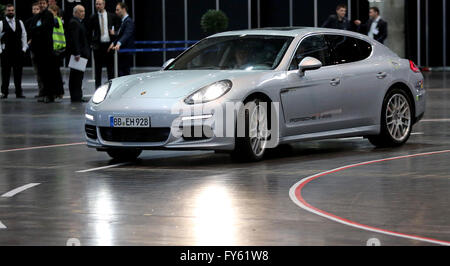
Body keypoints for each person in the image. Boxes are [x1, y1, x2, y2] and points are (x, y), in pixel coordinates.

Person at [30, 0, 58, 103]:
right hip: (38, 50)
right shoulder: (37, 16)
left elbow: (45, 29)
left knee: (48, 74)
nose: (41, 5)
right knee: (41, 74)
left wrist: (36, 29)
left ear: (46, 4)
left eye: (43, 3)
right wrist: (36, 29)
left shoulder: (48, 15)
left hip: (47, 50)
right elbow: (31, 29)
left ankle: (50, 95)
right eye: (40, 3)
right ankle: (44, 94)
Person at [89, 0, 121, 89]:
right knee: (97, 70)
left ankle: (111, 89)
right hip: (98, 46)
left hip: (109, 46)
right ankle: (98, 89)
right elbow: (88, 32)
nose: (98, 6)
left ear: (104, 5)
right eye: (96, 4)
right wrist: (92, 43)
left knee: (110, 69)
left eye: (100, 4)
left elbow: (119, 27)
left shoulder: (112, 16)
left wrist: (115, 33)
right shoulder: (93, 17)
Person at [0, 4, 28, 99]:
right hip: (6, 53)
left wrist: (24, 48)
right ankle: (4, 92)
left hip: (18, 52)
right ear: (5, 12)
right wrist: (0, 51)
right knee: (5, 74)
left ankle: (19, 93)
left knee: (18, 73)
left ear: (14, 11)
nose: (10, 12)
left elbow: (24, 35)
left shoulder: (19, 22)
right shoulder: (1, 23)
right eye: (9, 10)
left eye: (12, 10)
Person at [67, 5, 90, 103]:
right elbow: (74, 39)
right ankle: (76, 97)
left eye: (84, 11)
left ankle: (77, 96)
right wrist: (77, 53)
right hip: (78, 55)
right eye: (81, 11)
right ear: (75, 13)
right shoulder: (74, 23)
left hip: (80, 54)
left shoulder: (79, 22)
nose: (83, 13)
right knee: (76, 77)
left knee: (78, 77)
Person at [109, 2, 135, 77]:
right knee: (121, 72)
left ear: (123, 9)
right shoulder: (123, 21)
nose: (116, 12)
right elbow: (121, 35)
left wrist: (119, 43)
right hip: (122, 52)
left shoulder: (128, 21)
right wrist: (114, 43)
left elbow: (127, 34)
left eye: (118, 10)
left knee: (124, 74)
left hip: (126, 51)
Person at [25, 2, 44, 99]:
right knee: (37, 71)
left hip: (43, 49)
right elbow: (26, 34)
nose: (35, 11)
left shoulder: (44, 20)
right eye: (34, 9)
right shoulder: (29, 22)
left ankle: (45, 91)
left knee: (43, 71)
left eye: (37, 9)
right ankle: (40, 90)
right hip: (33, 49)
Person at [48, 4, 65, 99]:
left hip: (56, 49)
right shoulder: (58, 20)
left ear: (55, 12)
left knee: (55, 73)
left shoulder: (55, 19)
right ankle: (58, 92)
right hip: (57, 49)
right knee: (56, 73)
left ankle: (58, 92)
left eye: (51, 12)